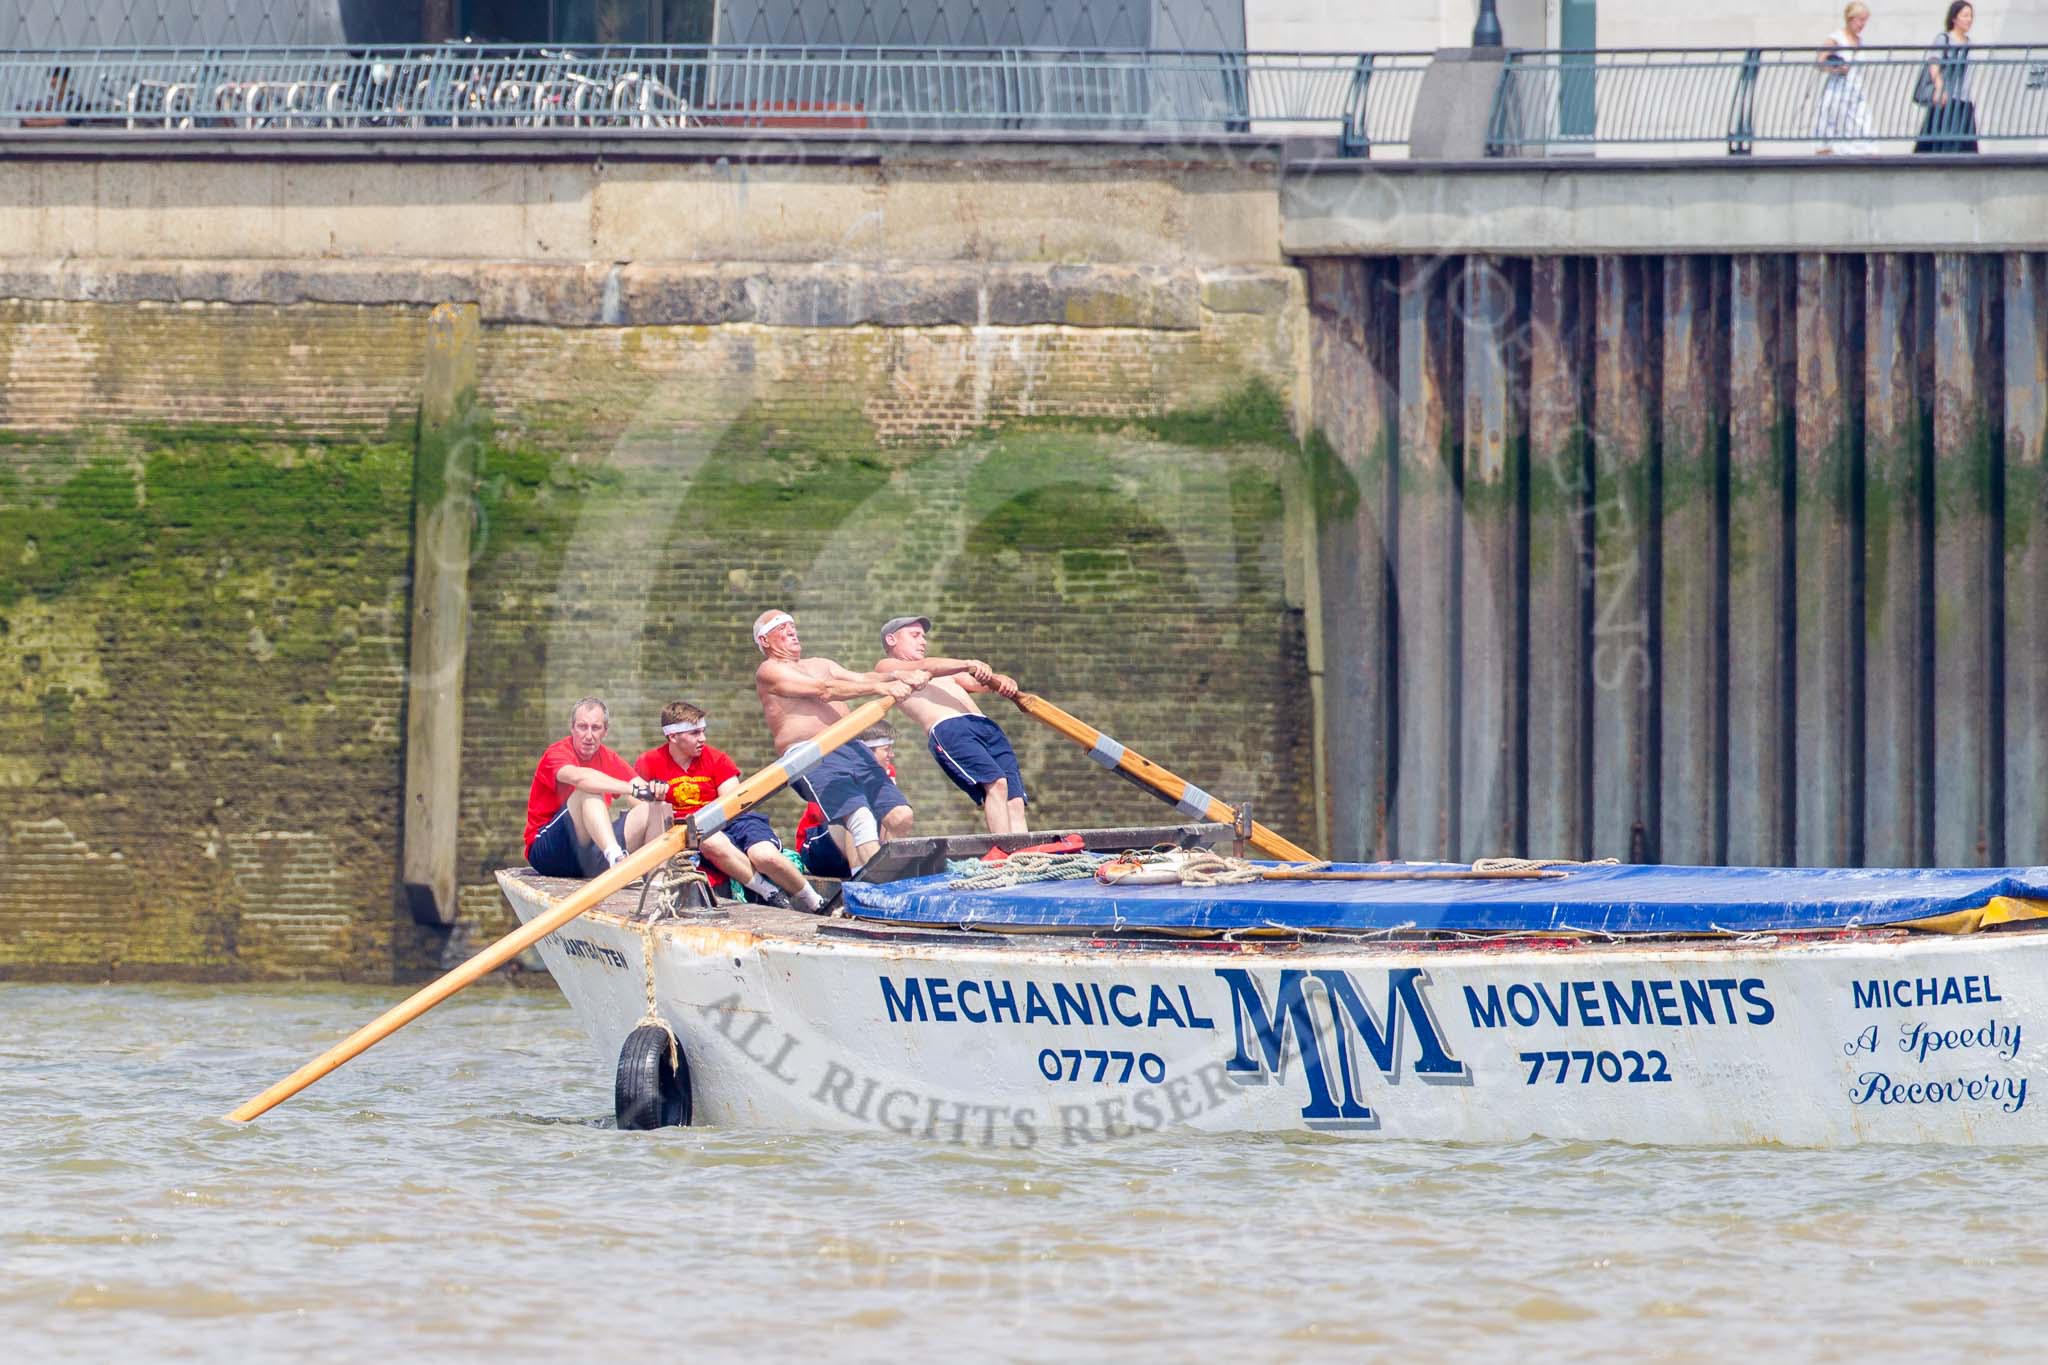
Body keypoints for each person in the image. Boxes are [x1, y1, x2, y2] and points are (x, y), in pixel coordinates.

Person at [753, 608, 924, 872]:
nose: (790, 629)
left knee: (901, 816)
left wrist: (901, 675)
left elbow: (865, 678)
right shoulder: (770, 671)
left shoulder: (822, 664)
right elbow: (825, 690)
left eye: (791, 623)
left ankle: (887, 878)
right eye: (779, 626)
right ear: (764, 641)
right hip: (811, 752)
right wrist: (882, 687)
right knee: (861, 818)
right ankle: (871, 889)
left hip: (851, 747)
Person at [633, 700, 823, 912]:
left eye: (703, 731)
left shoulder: (717, 759)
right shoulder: (649, 761)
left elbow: (733, 803)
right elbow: (639, 808)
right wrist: (653, 797)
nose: (702, 739)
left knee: (764, 856)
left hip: (734, 820)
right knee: (710, 841)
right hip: (698, 832)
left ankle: (816, 901)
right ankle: (770, 893)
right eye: (695, 733)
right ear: (673, 736)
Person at [873, 614, 1028, 836]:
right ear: (891, 640)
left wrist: (1001, 679)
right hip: (950, 728)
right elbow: (928, 665)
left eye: (924, 636)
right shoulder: (888, 666)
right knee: (997, 784)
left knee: (1014, 799)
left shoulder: (946, 673)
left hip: (985, 726)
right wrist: (968, 663)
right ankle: (1004, 852)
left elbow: (977, 683)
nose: (923, 641)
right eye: (915, 635)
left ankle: (1025, 856)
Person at [524, 696, 670, 878]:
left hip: (590, 856)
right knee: (587, 790)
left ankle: (657, 886)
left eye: (596, 728)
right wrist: (631, 789)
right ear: (572, 728)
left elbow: (640, 790)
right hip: (549, 853)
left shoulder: (609, 757)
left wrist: (655, 794)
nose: (588, 736)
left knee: (656, 808)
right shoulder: (557, 753)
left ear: (605, 731)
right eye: (582, 727)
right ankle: (617, 860)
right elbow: (580, 778)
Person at [795, 723, 897, 880]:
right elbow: (823, 815)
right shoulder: (841, 771)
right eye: (886, 749)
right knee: (855, 811)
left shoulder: (888, 771)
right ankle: (858, 875)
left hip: (855, 847)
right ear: (868, 752)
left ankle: (888, 868)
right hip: (816, 847)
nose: (892, 755)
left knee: (893, 813)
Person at [1915, 2, 1978, 154]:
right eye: (1965, 15)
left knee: (1965, 148)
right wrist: (1939, 88)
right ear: (1954, 18)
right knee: (1938, 144)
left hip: (1964, 100)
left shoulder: (1969, 43)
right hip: (1947, 99)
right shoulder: (1944, 38)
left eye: (1970, 16)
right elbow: (1934, 63)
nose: (1969, 19)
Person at [1815, 4, 1875, 154]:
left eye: (1864, 21)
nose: (1862, 25)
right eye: (1860, 20)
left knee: (1861, 122)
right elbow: (1820, 62)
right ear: (1850, 19)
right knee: (1834, 123)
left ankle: (1862, 154)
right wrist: (1836, 68)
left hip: (1856, 89)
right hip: (1838, 88)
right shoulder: (1836, 38)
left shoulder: (1860, 41)